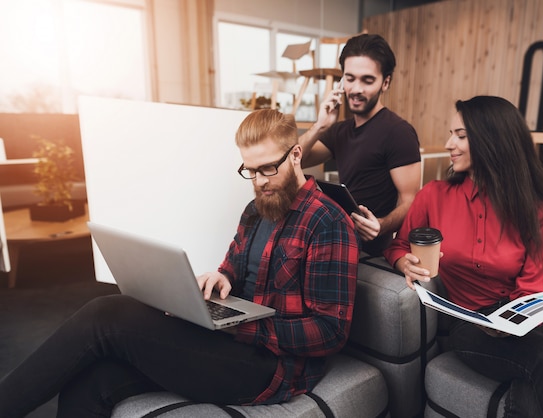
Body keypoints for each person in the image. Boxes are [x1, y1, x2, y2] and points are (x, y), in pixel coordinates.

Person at [0, 109, 360, 417]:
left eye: (268, 168)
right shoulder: (255, 209)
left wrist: (242, 329)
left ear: (296, 155)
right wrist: (220, 279)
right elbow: (234, 266)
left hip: (271, 367)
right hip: (231, 342)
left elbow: (330, 333)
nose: (260, 182)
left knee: (105, 315)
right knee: (91, 381)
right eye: (250, 170)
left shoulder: (328, 223)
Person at [384, 96, 543, 417]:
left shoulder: (536, 211)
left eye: (460, 135)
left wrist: (512, 322)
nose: (448, 144)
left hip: (532, 317)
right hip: (472, 325)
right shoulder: (434, 195)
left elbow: (532, 289)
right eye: (450, 134)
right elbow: (397, 245)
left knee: (539, 380)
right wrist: (403, 261)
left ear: (492, 140)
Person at [299, 33, 422, 256]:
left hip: (369, 251)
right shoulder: (339, 130)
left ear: (385, 82)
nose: (356, 89)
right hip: (337, 239)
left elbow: (411, 200)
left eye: (367, 80)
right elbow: (295, 161)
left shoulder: (398, 132)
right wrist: (320, 125)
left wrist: (381, 225)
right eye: (350, 78)